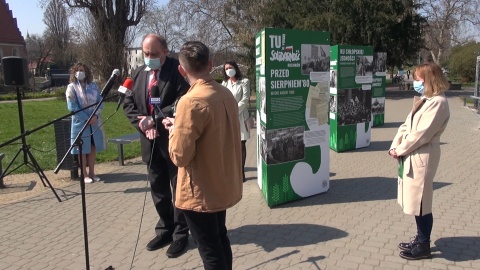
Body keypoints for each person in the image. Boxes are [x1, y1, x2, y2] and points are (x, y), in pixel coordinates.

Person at [163, 41, 243, 270]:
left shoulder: (191, 101)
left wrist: (173, 131)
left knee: (209, 250)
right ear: (210, 64)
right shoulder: (225, 92)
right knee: (220, 239)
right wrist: (179, 124)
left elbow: (179, 156)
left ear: (181, 69)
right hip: (220, 183)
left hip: (199, 192)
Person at [123, 34, 190, 257]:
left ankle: (181, 235)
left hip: (172, 141)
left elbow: (183, 100)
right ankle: (165, 229)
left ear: (165, 52)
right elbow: (128, 103)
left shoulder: (177, 70)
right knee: (158, 190)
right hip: (149, 142)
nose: (149, 58)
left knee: (177, 190)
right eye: (146, 53)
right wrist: (142, 122)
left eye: (153, 54)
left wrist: (157, 120)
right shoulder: (139, 73)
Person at [388, 62, 450, 260]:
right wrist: (395, 145)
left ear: (430, 79)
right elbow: (406, 126)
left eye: (418, 79)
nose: (415, 82)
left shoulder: (439, 102)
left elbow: (421, 134)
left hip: (423, 154)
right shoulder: (425, 99)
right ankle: (420, 238)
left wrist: (401, 149)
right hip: (411, 152)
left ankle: (424, 245)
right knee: (415, 200)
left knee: (422, 201)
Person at [65, 62, 106, 184]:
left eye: (82, 70)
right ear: (74, 73)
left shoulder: (93, 86)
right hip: (80, 122)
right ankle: (84, 174)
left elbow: (101, 102)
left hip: (94, 122)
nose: (80, 72)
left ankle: (93, 172)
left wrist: (95, 115)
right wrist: (86, 118)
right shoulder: (71, 87)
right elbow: (72, 106)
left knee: (92, 147)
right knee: (82, 148)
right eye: (78, 70)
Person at [221, 60, 250, 182]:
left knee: (241, 144)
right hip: (227, 117)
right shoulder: (224, 83)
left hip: (240, 115)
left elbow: (245, 98)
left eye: (230, 67)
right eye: (226, 68)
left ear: (235, 68)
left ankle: (241, 172)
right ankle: (232, 171)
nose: (229, 70)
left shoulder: (244, 81)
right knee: (230, 145)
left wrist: (234, 110)